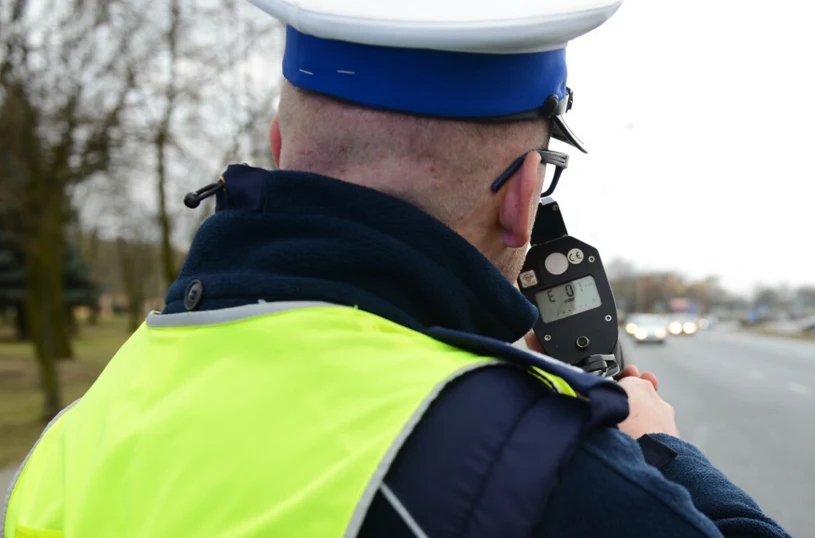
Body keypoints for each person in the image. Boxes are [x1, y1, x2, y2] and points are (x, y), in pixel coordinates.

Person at [2, 1, 794, 537]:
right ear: (522, 195)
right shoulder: (536, 466)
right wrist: (659, 450)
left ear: (278, 149)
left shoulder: (80, 433)